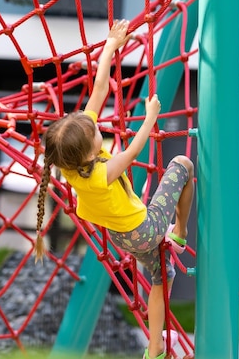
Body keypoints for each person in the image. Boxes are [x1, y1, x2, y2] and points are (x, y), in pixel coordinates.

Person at [34, 19, 195, 359]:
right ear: (90, 151)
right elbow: (135, 151)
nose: (96, 129)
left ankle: (154, 348)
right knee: (183, 165)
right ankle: (178, 232)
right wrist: (151, 116)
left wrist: (110, 46)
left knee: (159, 275)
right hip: (144, 229)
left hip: (121, 236)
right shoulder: (101, 172)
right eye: (94, 135)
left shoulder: (71, 166)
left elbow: (100, 91)